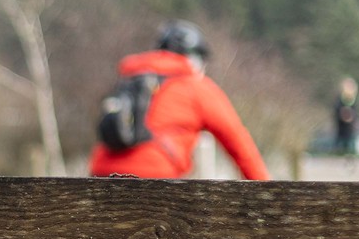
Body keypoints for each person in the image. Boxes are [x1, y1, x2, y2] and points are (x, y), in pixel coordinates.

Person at [88, 20, 270, 181]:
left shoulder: (129, 79)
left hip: (100, 173)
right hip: (155, 177)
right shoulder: (197, 87)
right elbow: (239, 144)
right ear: (195, 59)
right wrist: (267, 195)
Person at [333, 77, 359, 156]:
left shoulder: (354, 101)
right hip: (341, 129)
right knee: (339, 146)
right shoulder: (340, 99)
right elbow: (336, 111)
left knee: (350, 148)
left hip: (350, 129)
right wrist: (343, 115)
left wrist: (351, 117)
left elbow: (356, 113)